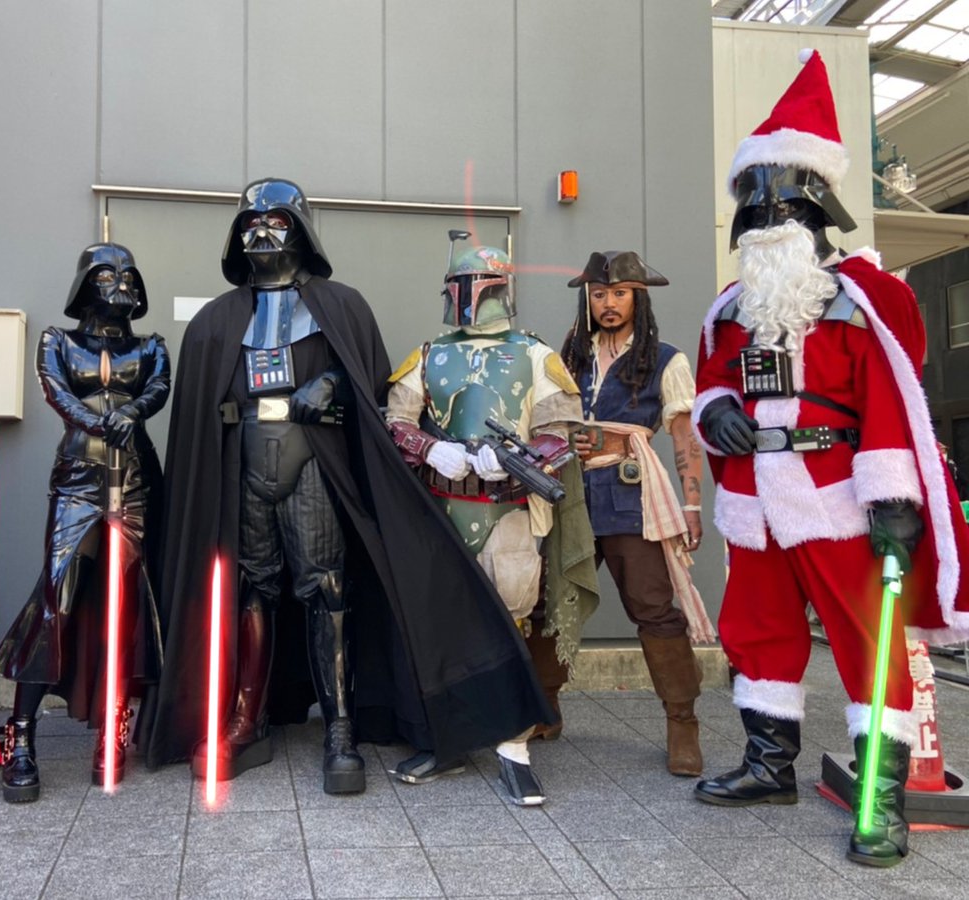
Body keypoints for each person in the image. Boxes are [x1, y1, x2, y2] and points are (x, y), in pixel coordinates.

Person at [145, 179, 554, 796]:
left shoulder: (341, 306)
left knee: (327, 587)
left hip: (314, 463)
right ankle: (246, 717)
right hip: (241, 464)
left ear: (302, 229)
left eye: (277, 221)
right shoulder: (215, 320)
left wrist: (334, 383)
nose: (262, 232)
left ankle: (339, 727)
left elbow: (369, 389)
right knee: (252, 586)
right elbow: (200, 411)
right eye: (251, 222)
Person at [692, 50, 969, 868]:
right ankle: (768, 764)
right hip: (758, 497)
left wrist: (894, 497)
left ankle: (881, 796)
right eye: (753, 201)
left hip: (841, 492)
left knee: (865, 640)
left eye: (779, 198)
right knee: (756, 629)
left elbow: (893, 398)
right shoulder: (732, 308)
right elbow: (712, 381)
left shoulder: (871, 297)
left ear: (816, 201)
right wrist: (718, 413)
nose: (765, 215)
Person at [385, 240, 598, 805]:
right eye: (458, 284)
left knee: (511, 621)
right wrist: (430, 449)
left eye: (474, 284)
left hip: (510, 510)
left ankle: (514, 747)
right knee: (444, 627)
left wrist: (516, 460)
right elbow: (396, 420)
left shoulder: (535, 354)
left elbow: (562, 430)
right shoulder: (428, 354)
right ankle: (449, 739)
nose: (465, 295)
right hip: (443, 510)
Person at [0, 243, 170, 802]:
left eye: (128, 276)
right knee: (57, 598)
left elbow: (159, 387)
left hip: (133, 479)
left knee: (124, 602)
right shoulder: (57, 341)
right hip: (77, 478)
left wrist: (131, 411)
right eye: (108, 275)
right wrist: (99, 419)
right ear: (87, 282)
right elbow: (56, 390)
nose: (121, 285)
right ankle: (20, 734)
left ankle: (113, 727)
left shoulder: (151, 346)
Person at [560, 250, 714, 778]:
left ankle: (682, 723)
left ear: (638, 298)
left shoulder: (666, 360)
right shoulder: (569, 358)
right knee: (552, 603)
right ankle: (543, 707)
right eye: (600, 294)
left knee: (654, 609)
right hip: (570, 495)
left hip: (631, 496)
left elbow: (684, 436)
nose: (609, 303)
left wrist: (691, 505)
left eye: (620, 293)